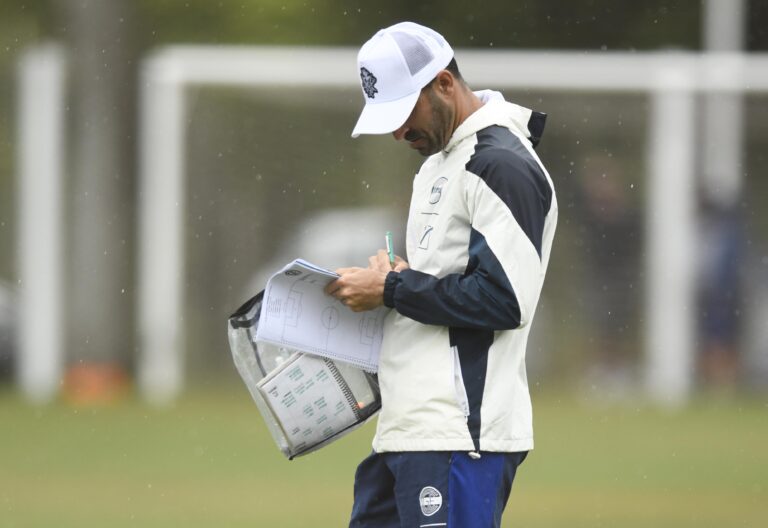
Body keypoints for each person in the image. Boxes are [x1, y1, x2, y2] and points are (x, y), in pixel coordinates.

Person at [325, 22, 558, 528]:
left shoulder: (501, 164)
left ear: (444, 85)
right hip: (408, 430)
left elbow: (505, 300)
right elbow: (450, 283)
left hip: (457, 436)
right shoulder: (439, 162)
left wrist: (390, 287)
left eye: (405, 113)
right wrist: (399, 282)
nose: (397, 132)